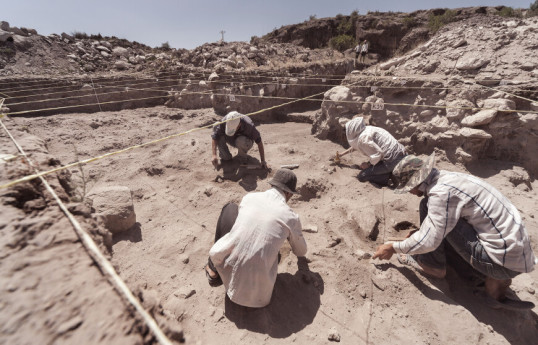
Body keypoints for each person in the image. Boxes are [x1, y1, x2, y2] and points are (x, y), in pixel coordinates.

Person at [372, 153, 537, 310]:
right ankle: (494, 281)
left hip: (502, 264)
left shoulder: (441, 194)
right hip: (517, 256)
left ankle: (432, 265)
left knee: (430, 210)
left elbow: (430, 240)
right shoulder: (449, 178)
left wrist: (393, 247)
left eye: (408, 188)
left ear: (415, 183)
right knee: (434, 210)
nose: (409, 192)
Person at [205, 168, 307, 308]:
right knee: (272, 254)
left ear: (272, 185)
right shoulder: (291, 217)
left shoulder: (250, 197)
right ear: (289, 193)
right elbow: (301, 251)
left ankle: (213, 270)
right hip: (259, 298)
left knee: (230, 209)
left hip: (229, 274)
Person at [336, 117, 407, 186]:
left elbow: (378, 154)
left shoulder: (363, 139)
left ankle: (388, 177)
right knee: (374, 165)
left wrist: (368, 164)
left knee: (362, 176)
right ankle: (386, 171)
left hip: (393, 160)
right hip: (400, 153)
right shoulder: (366, 129)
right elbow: (357, 145)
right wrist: (341, 154)